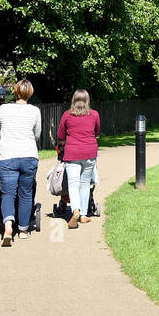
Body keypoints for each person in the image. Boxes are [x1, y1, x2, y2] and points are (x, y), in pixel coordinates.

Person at [0, 79, 41, 246]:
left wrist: (2, 138)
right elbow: (37, 134)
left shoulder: (4, 109)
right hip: (28, 156)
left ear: (15, 91)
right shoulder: (35, 111)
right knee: (26, 193)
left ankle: (8, 225)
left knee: (7, 193)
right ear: (30, 93)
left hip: (7, 157)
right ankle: (24, 230)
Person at [56, 89, 101, 229]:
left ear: (73, 100)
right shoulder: (94, 114)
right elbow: (97, 132)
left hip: (72, 153)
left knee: (73, 184)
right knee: (85, 183)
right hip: (90, 152)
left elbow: (60, 136)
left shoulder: (67, 115)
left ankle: (75, 210)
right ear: (87, 100)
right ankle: (83, 214)